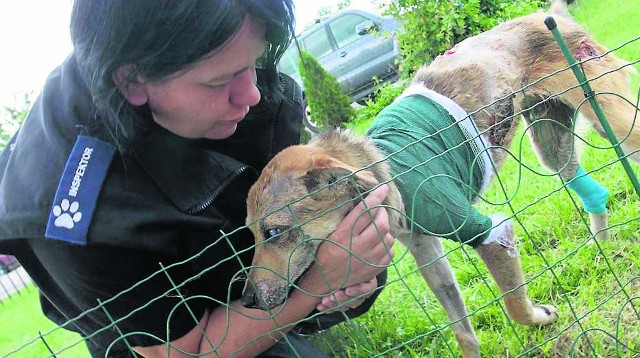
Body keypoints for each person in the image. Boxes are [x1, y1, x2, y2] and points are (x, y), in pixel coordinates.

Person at [0, 1, 395, 357]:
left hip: (224, 259)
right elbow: (189, 353)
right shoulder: (74, 217)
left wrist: (349, 267)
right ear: (133, 81)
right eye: (220, 81)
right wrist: (321, 280)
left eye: (252, 65)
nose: (252, 95)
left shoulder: (217, 63)